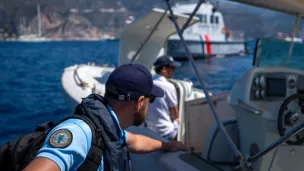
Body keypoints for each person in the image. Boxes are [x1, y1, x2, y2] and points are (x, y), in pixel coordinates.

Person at [23, 64, 186, 171]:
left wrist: (166, 145)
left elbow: (135, 141)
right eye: (152, 99)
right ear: (140, 102)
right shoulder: (79, 133)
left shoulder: (111, 129)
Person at [144, 55, 181, 140]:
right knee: (177, 121)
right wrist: (177, 121)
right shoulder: (169, 87)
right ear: (164, 69)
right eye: (172, 68)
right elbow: (174, 113)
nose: (173, 71)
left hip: (149, 131)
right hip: (166, 133)